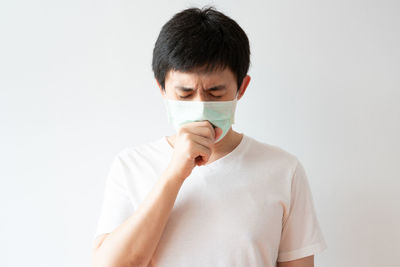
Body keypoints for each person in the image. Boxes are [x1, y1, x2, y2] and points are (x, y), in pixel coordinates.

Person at [92, 6, 327, 267]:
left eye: (215, 93)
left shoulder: (283, 170)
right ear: (162, 89)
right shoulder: (131, 166)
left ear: (241, 88)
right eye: (185, 93)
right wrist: (175, 173)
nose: (201, 105)